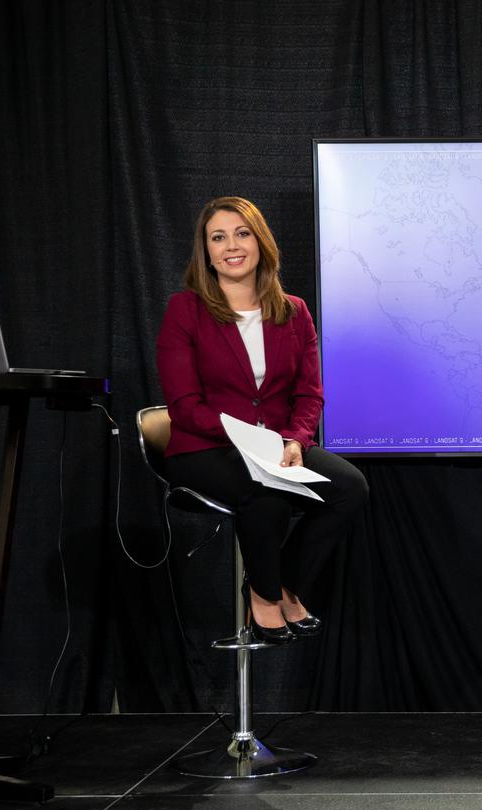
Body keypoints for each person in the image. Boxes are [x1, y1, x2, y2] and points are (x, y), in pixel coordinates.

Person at [156, 196, 368, 644]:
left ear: (260, 242)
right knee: (263, 490)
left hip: (277, 445)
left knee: (349, 488)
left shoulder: (293, 312)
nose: (231, 245)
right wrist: (250, 439)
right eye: (218, 237)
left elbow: (309, 393)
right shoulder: (185, 310)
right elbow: (184, 405)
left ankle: (280, 583)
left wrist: (293, 441)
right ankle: (266, 598)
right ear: (206, 252)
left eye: (241, 233)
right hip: (204, 446)